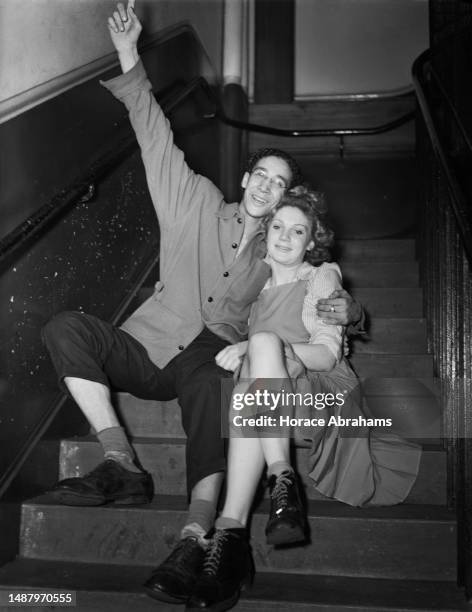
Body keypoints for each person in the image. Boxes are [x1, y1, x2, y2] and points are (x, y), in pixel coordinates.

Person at [41, 0, 362, 606]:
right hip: (150, 340)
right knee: (65, 329)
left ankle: (195, 536)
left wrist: (354, 314)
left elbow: (321, 285)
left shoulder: (281, 254)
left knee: (219, 401)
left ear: (285, 199)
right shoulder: (194, 202)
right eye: (260, 174)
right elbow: (155, 136)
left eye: (278, 181)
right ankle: (120, 460)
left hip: (210, 356)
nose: (267, 185)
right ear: (244, 181)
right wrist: (131, 55)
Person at [184, 186, 422, 612]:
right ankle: (239, 527)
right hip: (267, 392)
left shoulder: (321, 276)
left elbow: (327, 353)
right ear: (266, 231)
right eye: (277, 227)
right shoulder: (251, 285)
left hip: (320, 388)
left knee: (254, 366)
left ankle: (260, 499)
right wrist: (256, 350)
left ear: (311, 241)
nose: (285, 237)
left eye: (298, 231)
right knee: (243, 390)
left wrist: (265, 347)